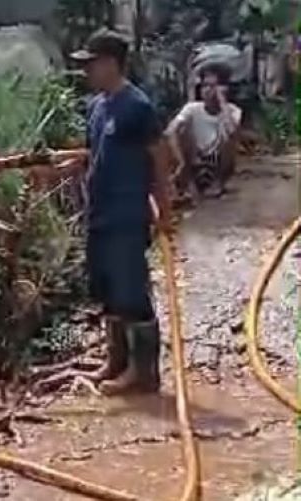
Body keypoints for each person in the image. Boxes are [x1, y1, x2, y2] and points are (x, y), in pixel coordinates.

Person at [70, 30, 173, 396]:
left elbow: (159, 157)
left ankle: (144, 373)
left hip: (127, 214)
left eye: (92, 64)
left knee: (131, 290)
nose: (87, 72)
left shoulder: (137, 107)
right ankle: (117, 361)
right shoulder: (98, 107)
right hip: (98, 213)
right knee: (107, 289)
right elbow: (91, 155)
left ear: (112, 63)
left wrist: (164, 207)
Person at [166, 63, 242, 201]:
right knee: (179, 129)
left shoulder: (233, 111)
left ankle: (217, 182)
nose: (207, 90)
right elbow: (170, 131)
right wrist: (181, 162)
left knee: (229, 136)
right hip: (195, 160)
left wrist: (222, 100)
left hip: (218, 162)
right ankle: (187, 182)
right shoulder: (192, 108)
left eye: (212, 86)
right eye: (204, 85)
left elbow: (231, 132)